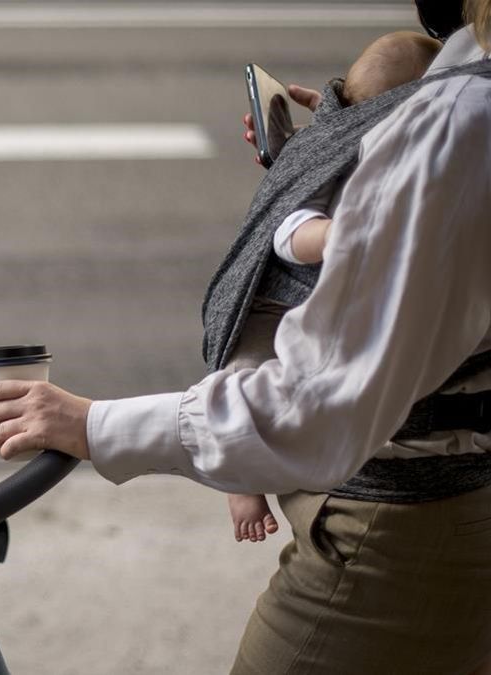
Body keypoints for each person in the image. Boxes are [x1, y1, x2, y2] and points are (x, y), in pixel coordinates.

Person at [0, 1, 491, 671]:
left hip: (392, 538)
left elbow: (315, 403)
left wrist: (90, 425)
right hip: (431, 515)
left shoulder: (458, 123)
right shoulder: (459, 95)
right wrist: (341, 157)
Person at [226, 29, 443, 544]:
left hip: (323, 303)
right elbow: (289, 227)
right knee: (240, 379)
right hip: (276, 302)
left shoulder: (385, 150)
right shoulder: (349, 154)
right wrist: (337, 233)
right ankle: (239, 479)